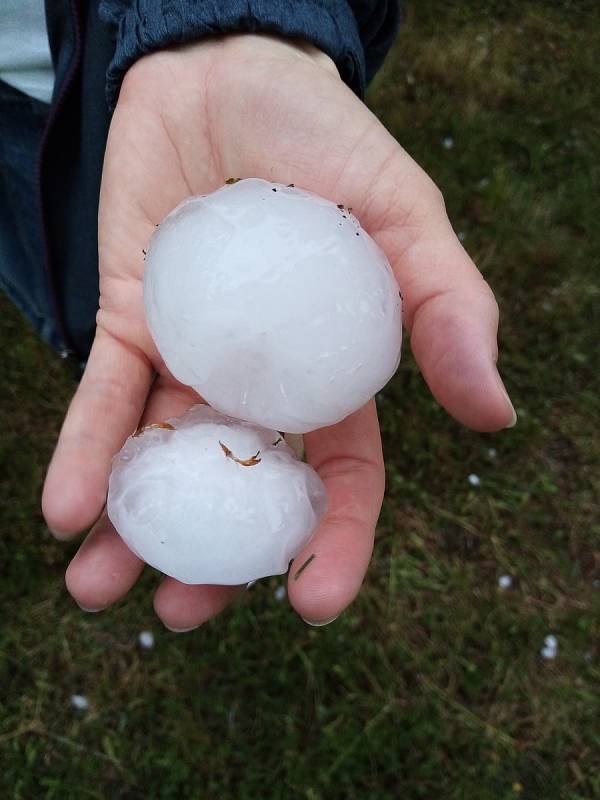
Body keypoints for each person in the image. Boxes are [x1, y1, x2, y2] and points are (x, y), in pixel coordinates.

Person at [1, 1, 516, 631]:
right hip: (23, 105)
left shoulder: (291, 310)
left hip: (104, 62)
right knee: (51, 257)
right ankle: (70, 327)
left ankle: (72, 327)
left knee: (78, 276)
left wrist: (237, 19)